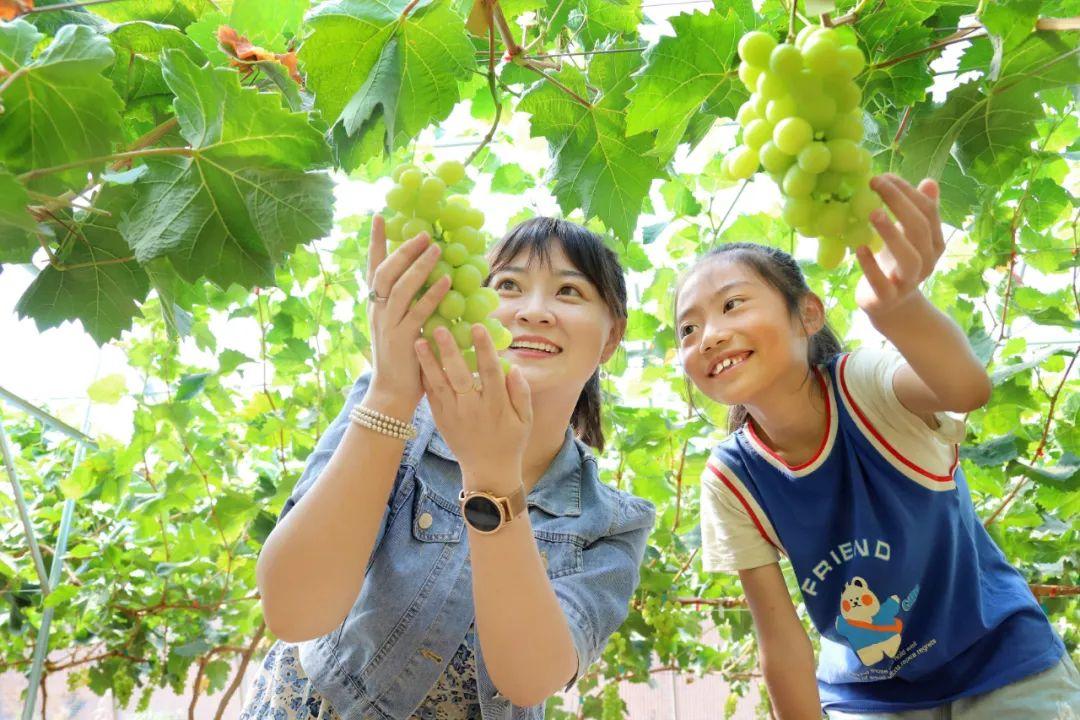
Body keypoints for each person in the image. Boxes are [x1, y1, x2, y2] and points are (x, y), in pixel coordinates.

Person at [673, 174, 1080, 719]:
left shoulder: (861, 384)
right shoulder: (731, 479)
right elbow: (781, 642)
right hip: (870, 697)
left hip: (1003, 665)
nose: (710, 336)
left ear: (808, 315)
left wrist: (898, 310)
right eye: (687, 329)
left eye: (732, 305)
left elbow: (965, 389)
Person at [242, 216, 656, 720]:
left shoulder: (612, 525)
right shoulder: (391, 418)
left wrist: (492, 478)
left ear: (613, 337)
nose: (534, 311)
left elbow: (530, 678)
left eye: (569, 291)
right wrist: (391, 393)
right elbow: (292, 610)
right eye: (508, 285)